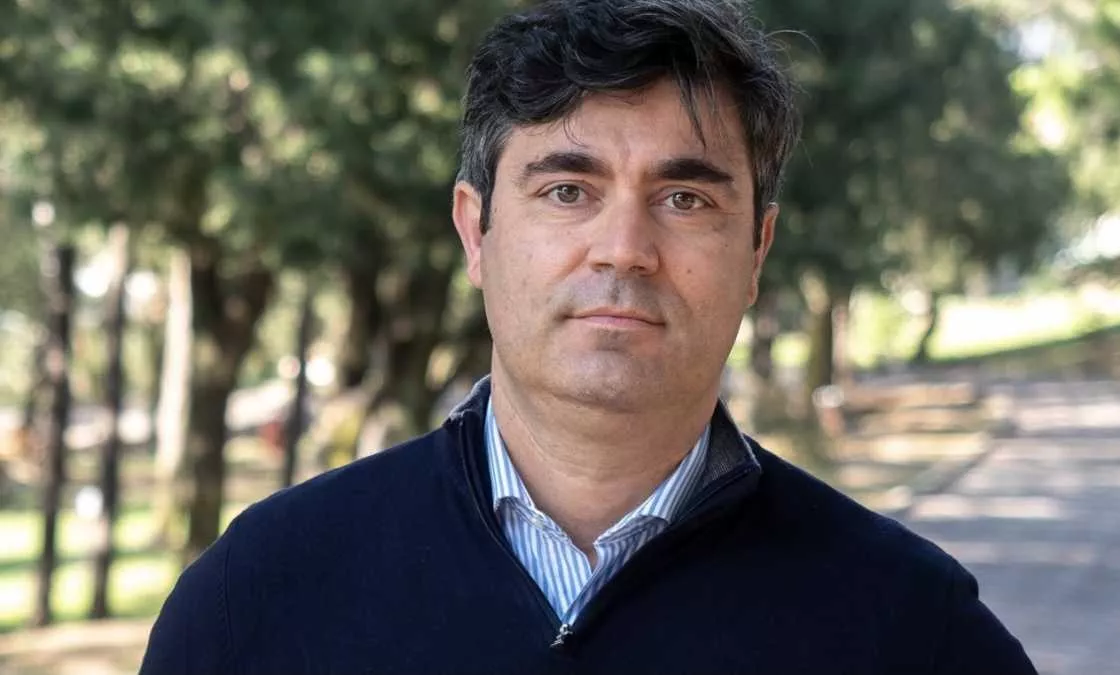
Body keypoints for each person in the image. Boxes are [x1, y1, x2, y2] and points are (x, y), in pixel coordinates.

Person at [140, 1, 1037, 673]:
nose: (624, 248)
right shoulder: (258, 599)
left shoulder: (912, 629)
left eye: (685, 198)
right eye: (567, 191)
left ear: (756, 251)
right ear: (476, 231)